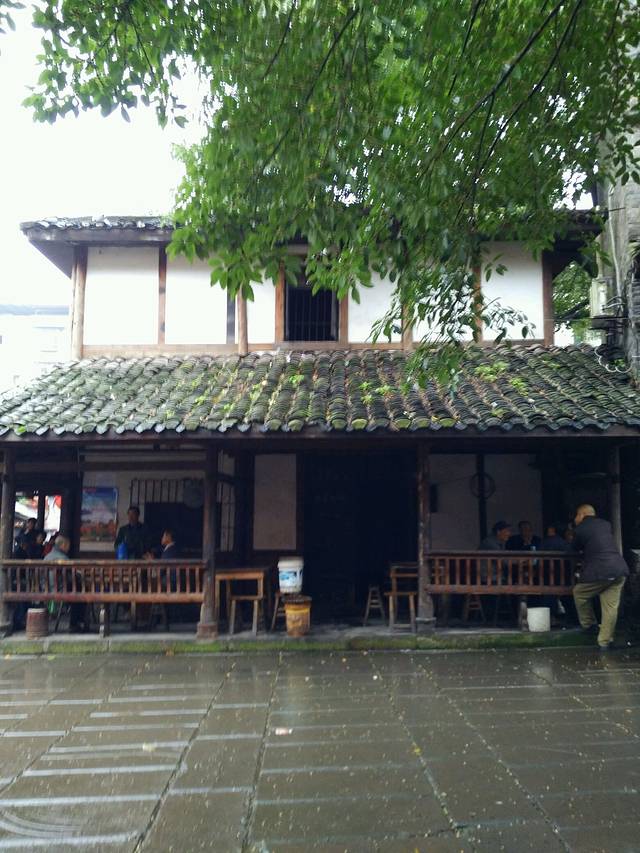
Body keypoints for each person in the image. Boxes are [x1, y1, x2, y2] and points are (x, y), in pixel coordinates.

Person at [572, 504, 629, 651]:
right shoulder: (606, 524)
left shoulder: (580, 529)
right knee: (610, 607)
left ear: (582, 515)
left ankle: (589, 624)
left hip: (599, 571)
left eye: (577, 515)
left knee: (579, 592)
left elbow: (574, 548)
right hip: (618, 570)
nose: (575, 518)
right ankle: (604, 642)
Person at [44, 534, 86, 632]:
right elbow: (73, 574)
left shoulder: (47, 557)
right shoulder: (62, 558)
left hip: (47, 588)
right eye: (68, 545)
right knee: (80, 593)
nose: (68, 548)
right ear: (63, 545)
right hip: (60, 589)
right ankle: (75, 623)